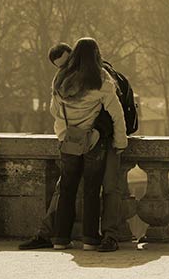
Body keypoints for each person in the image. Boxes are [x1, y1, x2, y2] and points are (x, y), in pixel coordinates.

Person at [19, 42, 125, 252]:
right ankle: (89, 239)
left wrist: (66, 130)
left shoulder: (61, 79)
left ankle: (60, 239)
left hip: (69, 141)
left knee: (67, 189)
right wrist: (120, 141)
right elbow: (117, 114)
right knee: (92, 191)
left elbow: (54, 110)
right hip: (93, 141)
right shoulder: (101, 79)